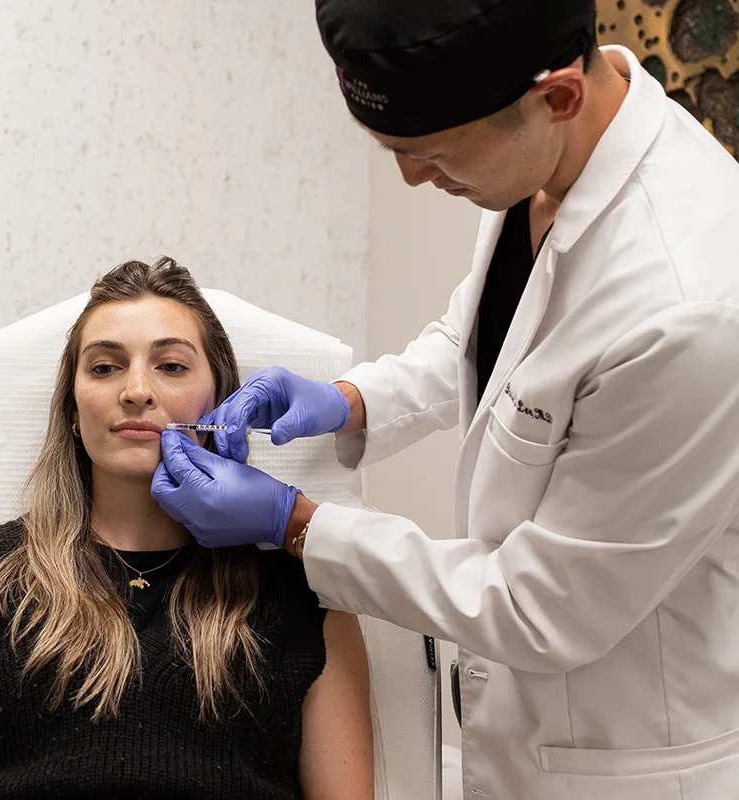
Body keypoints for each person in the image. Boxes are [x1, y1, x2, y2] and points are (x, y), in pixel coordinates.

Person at [151, 2, 739, 799]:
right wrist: (348, 399)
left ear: (556, 97)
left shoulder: (688, 306)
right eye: (393, 149)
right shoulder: (548, 163)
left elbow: (541, 609)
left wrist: (293, 524)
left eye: (432, 154)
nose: (412, 178)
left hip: (625, 760)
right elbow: (484, 348)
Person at [0, 258, 374, 800]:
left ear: (223, 404)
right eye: (104, 368)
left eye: (171, 366)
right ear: (73, 411)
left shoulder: (305, 593)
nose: (137, 390)